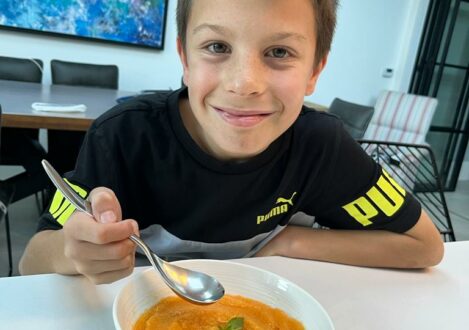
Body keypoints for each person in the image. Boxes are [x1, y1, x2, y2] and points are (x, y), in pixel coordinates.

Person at [19, 0, 444, 284]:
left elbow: (424, 246)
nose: (244, 84)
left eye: (279, 52)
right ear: (185, 58)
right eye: (217, 46)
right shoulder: (123, 137)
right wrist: (73, 254)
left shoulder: (321, 145)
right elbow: (32, 258)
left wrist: (290, 242)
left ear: (315, 70)